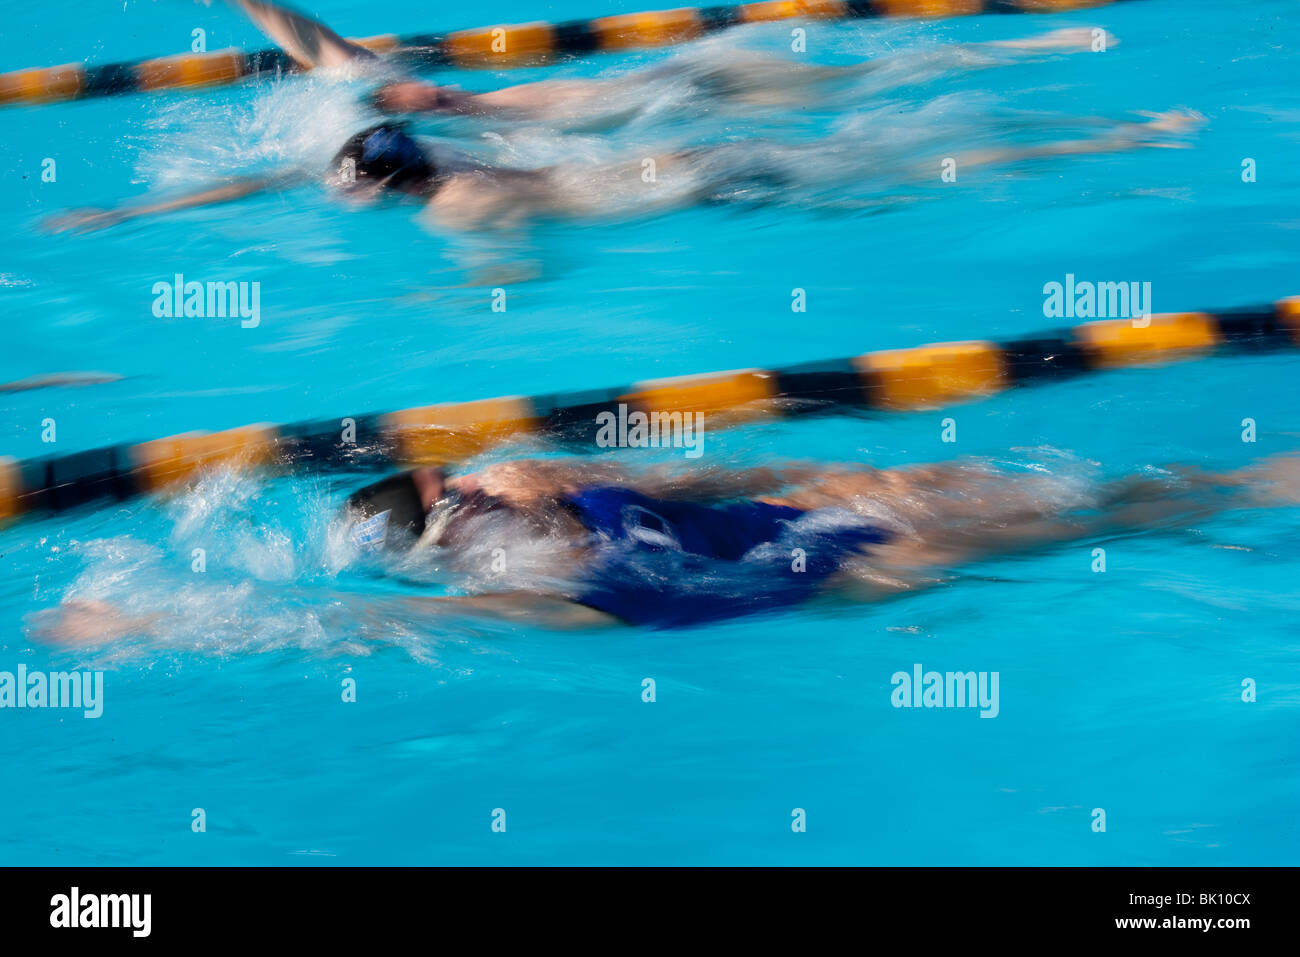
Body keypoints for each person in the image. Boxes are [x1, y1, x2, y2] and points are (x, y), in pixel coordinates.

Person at [41, 450, 1300, 641]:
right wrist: (140, 619)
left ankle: (1245, 485)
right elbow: (344, 625)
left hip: (819, 512)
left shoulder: (548, 485)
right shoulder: (525, 587)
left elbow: (716, 472)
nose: (483, 476)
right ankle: (1255, 495)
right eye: (459, 487)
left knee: (1095, 491)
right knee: (1087, 522)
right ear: (451, 529)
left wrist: (832, 473)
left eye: (469, 471)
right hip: (839, 574)